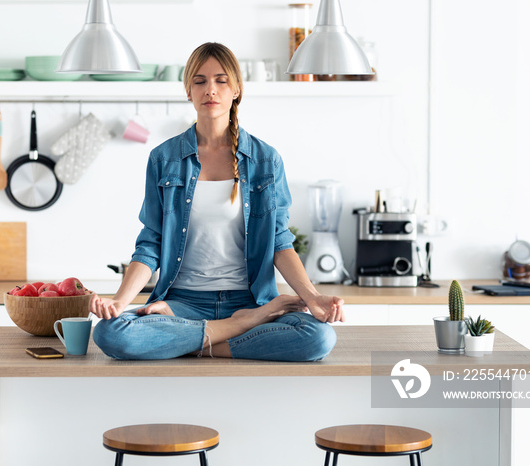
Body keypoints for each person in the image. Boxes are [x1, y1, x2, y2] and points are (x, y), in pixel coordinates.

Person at [90, 42, 345, 361]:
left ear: (237, 89)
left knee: (318, 338)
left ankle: (194, 341)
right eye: (199, 81)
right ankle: (241, 327)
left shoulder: (265, 160)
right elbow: (151, 243)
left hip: (251, 300)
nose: (210, 89)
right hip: (181, 303)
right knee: (110, 334)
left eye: (221, 80)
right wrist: (119, 301)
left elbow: (280, 242)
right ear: (188, 91)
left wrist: (314, 297)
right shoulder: (164, 158)